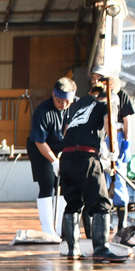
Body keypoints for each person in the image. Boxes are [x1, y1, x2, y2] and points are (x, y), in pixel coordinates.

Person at [59, 83, 128, 262]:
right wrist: (113, 153)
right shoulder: (108, 105)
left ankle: (72, 249)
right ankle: (101, 248)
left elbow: (66, 131)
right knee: (102, 203)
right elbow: (110, 127)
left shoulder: (81, 109)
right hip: (85, 158)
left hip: (66, 158)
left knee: (73, 203)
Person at [26, 77, 76, 242]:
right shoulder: (42, 111)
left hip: (62, 148)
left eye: (67, 101)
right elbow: (39, 141)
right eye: (60, 101)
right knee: (47, 184)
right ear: (53, 95)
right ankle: (48, 229)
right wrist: (54, 161)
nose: (63, 105)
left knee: (63, 185)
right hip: (41, 149)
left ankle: (62, 227)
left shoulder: (74, 108)